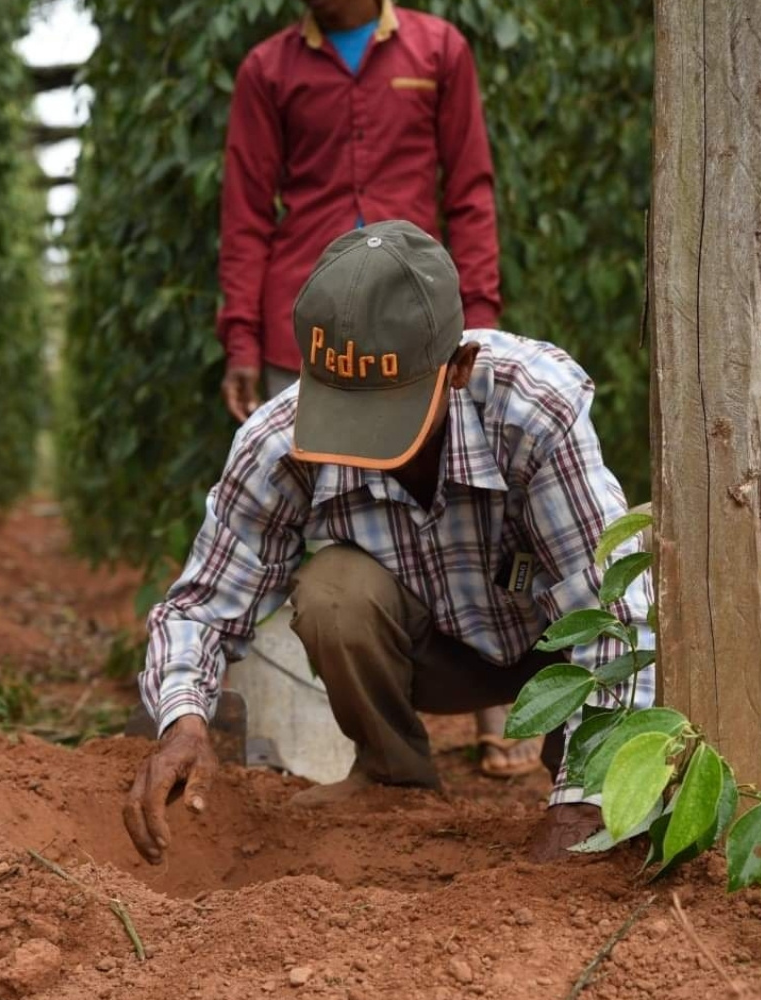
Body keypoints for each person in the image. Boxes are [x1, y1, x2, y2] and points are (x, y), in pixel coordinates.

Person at [123, 221, 655, 866]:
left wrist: (585, 798)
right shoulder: (277, 441)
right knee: (333, 592)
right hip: (426, 653)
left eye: (388, 409)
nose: (362, 441)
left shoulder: (530, 405)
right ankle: (391, 777)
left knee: (647, 571)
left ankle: (583, 767)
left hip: (552, 644)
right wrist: (184, 722)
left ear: (457, 367)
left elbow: (611, 606)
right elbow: (199, 608)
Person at [216, 0, 529, 776]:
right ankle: (335, 739)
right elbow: (248, 210)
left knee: (473, 503)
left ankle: (499, 721)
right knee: (321, 520)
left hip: (418, 324)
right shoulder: (270, 69)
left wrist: (476, 324)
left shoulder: (439, 49)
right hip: (312, 326)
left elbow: (470, 191)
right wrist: (243, 338)